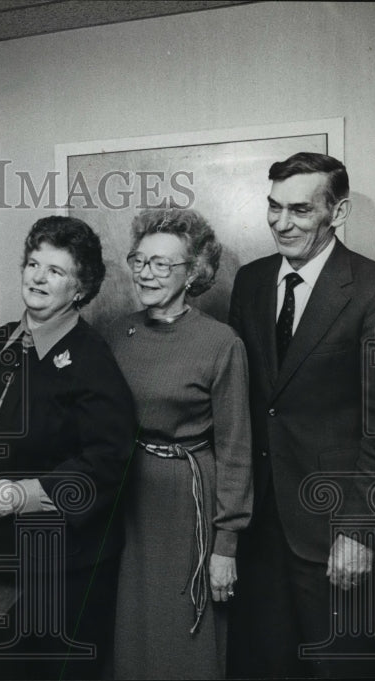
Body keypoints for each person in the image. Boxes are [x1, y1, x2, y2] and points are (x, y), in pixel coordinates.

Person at [227, 152, 375, 678]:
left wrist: (359, 532)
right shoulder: (250, 282)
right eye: (273, 208)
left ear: (338, 212)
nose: (280, 223)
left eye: (299, 210)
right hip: (262, 528)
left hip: (340, 533)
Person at [0, 215, 137, 679]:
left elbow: (108, 463)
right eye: (32, 264)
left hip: (67, 565)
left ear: (81, 289)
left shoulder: (91, 359)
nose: (38, 277)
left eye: (56, 271)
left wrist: (26, 494)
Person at [107, 208, 253, 679]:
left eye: (162, 264)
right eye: (140, 260)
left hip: (189, 502)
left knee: (184, 632)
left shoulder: (220, 342)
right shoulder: (116, 334)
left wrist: (225, 545)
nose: (146, 273)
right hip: (128, 499)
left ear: (193, 273)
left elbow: (235, 449)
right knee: (132, 625)